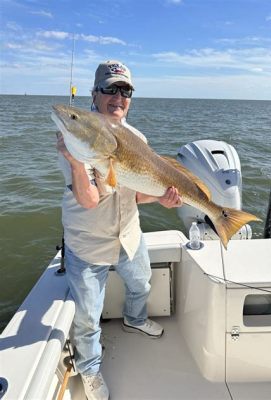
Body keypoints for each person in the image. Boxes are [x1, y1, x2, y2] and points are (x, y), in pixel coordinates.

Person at [56, 60, 182, 400]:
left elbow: (137, 193)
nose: (118, 97)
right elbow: (89, 199)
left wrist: (164, 199)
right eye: (110, 89)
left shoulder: (136, 138)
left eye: (125, 91)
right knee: (87, 317)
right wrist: (74, 162)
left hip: (128, 234)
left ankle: (134, 319)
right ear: (95, 94)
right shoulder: (78, 135)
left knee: (141, 283)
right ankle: (90, 369)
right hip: (88, 243)